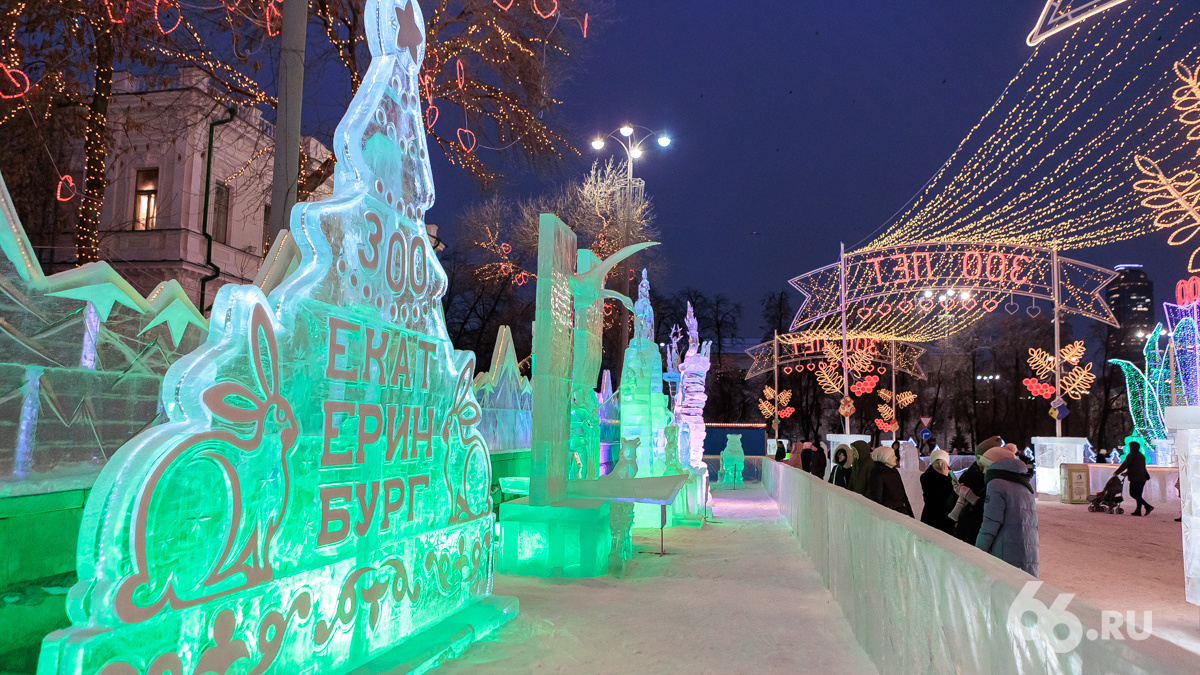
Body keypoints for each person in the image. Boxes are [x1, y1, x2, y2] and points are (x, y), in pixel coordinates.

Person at [976, 448, 1039, 576]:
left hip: (1005, 553)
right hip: (1029, 552)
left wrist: (977, 552)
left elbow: (990, 524)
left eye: (986, 467)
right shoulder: (1024, 484)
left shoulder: (996, 483)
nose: (984, 472)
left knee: (1004, 592)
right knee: (1025, 592)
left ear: (994, 465)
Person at [952, 436, 1003, 544]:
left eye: (981, 458)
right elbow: (950, 505)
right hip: (965, 533)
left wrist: (974, 499)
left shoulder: (997, 481)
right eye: (977, 457)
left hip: (985, 537)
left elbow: (994, 511)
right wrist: (955, 493)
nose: (978, 462)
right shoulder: (967, 476)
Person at [868, 445, 914, 516]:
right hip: (890, 516)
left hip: (901, 512)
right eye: (892, 456)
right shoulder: (877, 475)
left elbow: (903, 495)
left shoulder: (894, 471)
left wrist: (910, 514)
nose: (896, 458)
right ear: (885, 459)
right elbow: (877, 501)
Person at [920, 449, 957, 535]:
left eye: (942, 462)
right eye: (937, 461)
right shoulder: (926, 477)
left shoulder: (950, 474)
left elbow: (956, 489)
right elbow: (934, 498)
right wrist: (944, 478)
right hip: (933, 518)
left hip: (949, 517)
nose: (940, 465)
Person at [1114, 440, 1153, 516]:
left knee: (1133, 493)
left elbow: (1125, 465)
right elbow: (1138, 467)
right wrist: (1127, 473)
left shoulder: (1131, 455)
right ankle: (1138, 510)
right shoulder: (1141, 455)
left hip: (1136, 478)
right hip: (1143, 477)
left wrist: (1116, 472)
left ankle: (1147, 506)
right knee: (1138, 494)